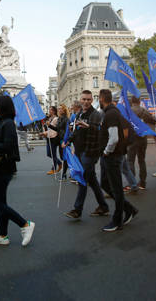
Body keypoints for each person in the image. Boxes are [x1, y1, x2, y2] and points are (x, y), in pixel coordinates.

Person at [0, 95, 35, 246]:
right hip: (0, 167)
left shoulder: (8, 123)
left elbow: (8, 147)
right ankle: (2, 235)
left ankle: (25, 224)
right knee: (0, 202)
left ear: (1, 108)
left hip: (4, 167)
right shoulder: (2, 122)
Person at [64, 90, 109, 220]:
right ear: (80, 99)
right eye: (84, 99)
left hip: (90, 152)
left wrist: (88, 126)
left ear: (91, 100)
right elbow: (76, 131)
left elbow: (99, 132)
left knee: (82, 178)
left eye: (89, 99)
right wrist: (68, 141)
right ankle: (103, 206)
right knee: (92, 180)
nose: (86, 102)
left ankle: (77, 210)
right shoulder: (78, 114)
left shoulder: (96, 114)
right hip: (79, 151)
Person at [98, 89, 137, 232]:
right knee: (105, 183)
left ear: (102, 98)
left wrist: (106, 151)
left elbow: (114, 138)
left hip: (112, 156)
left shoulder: (111, 113)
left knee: (116, 188)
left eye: (98, 99)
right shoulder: (110, 113)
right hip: (109, 156)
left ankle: (117, 220)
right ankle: (129, 209)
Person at [128, 96, 155, 189]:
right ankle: (143, 182)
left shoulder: (129, 111)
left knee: (130, 160)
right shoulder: (144, 111)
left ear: (132, 101)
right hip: (142, 138)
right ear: (139, 102)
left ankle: (132, 182)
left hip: (132, 138)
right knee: (141, 160)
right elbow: (153, 120)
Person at [42, 106, 62, 175]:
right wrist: (44, 133)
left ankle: (53, 169)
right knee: (49, 154)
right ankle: (59, 163)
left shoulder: (56, 118)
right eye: (49, 109)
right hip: (48, 137)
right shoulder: (50, 118)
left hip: (54, 138)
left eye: (50, 110)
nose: (49, 111)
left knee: (53, 154)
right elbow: (49, 129)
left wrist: (49, 125)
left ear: (53, 111)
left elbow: (56, 129)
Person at [56, 105, 70, 179]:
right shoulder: (59, 118)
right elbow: (57, 129)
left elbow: (67, 131)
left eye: (60, 109)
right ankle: (65, 173)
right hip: (59, 139)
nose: (59, 110)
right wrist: (49, 126)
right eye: (58, 109)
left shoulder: (66, 119)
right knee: (62, 156)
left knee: (64, 157)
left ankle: (64, 174)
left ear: (64, 110)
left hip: (63, 139)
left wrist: (65, 141)